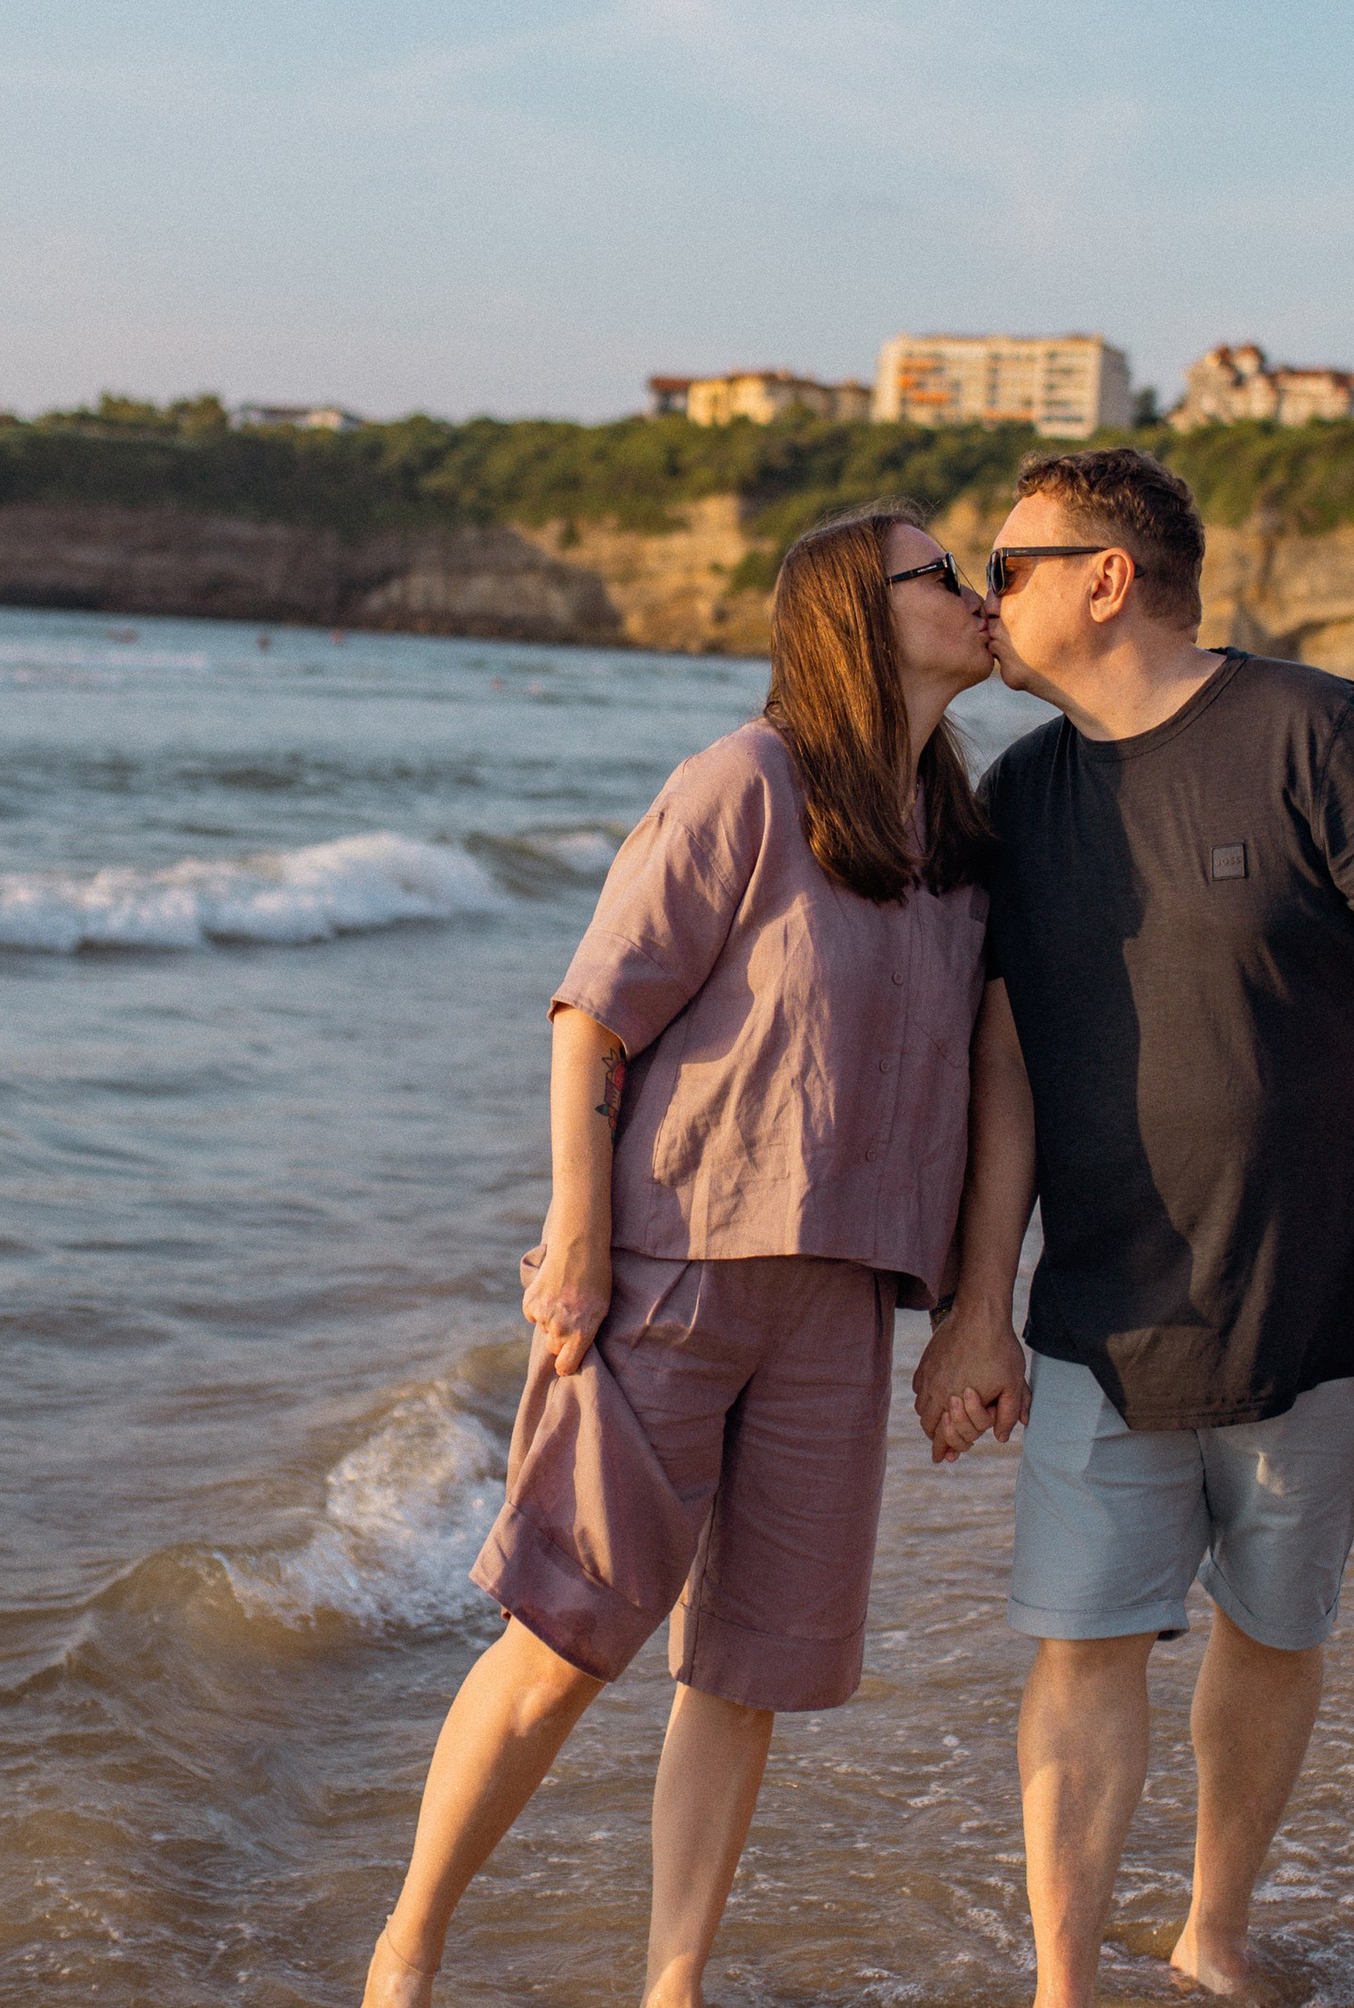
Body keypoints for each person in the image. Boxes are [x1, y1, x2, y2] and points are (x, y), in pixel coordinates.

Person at [365, 503, 996, 2008]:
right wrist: (577, 1238)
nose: (977, 598)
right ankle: (409, 1950)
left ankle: (674, 1985)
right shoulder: (743, 784)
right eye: (945, 577)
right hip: (677, 1269)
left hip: (843, 1307)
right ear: (859, 610)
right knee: (568, 1634)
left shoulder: (961, 848)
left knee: (750, 1670)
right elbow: (596, 1013)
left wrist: (975, 1312)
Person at [915, 447, 1354, 2006]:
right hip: (1104, 1316)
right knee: (1080, 1643)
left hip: (1322, 1307)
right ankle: (1063, 1982)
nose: (990, 597)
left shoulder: (1323, 739)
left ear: (1105, 578)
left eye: (1012, 562)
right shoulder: (1020, 795)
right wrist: (981, 1299)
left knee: (1272, 1623)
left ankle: (1215, 1930)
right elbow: (1003, 1063)